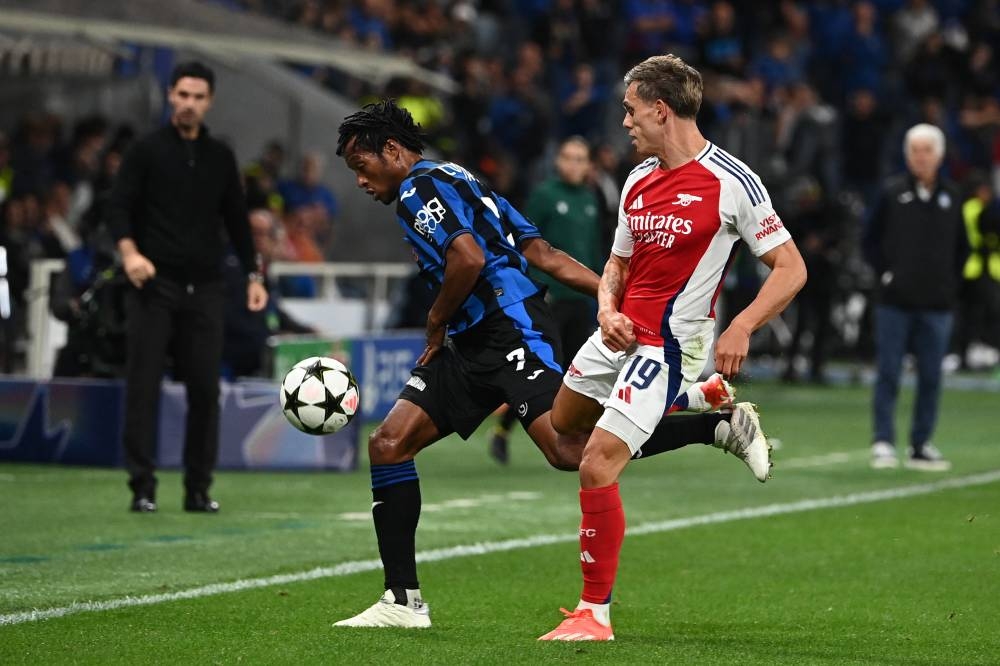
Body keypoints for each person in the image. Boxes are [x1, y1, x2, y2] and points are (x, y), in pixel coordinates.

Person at [332, 99, 769, 630]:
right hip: (475, 342)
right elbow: (542, 253)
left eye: (362, 166)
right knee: (388, 444)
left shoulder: (416, 191)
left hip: (510, 329)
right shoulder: (460, 177)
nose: (360, 179)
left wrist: (435, 319)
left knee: (568, 449)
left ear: (393, 151)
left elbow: (466, 258)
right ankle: (401, 601)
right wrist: (611, 298)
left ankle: (713, 424)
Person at [539, 54, 807, 642]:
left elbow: (791, 268)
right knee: (562, 435)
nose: (626, 122)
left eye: (631, 111)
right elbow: (617, 263)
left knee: (596, 463)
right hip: (620, 332)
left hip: (671, 346)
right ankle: (712, 419)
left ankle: (594, 614)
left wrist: (742, 327)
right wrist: (606, 309)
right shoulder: (636, 180)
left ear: (661, 110)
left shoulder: (732, 183)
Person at [109, 61, 268, 513]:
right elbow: (117, 207)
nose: (189, 104)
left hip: (207, 286)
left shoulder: (220, 155)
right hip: (154, 285)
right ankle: (142, 486)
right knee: (143, 387)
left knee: (205, 390)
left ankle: (198, 488)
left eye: (198, 97)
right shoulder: (145, 150)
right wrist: (130, 254)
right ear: (170, 96)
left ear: (209, 102)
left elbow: (238, 221)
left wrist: (255, 277)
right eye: (182, 95)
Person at [488, 136, 603, 464]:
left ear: (588, 165)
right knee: (543, 371)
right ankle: (504, 428)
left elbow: (593, 249)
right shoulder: (545, 196)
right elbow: (526, 243)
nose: (574, 164)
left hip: (582, 300)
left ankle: (581, 437)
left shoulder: (591, 198)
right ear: (558, 162)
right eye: (568, 157)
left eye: (580, 159)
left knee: (577, 371)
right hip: (550, 299)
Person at [863, 123, 968, 472]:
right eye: (914, 150)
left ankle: (920, 444)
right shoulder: (891, 192)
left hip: (937, 304)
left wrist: (948, 284)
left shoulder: (953, 196)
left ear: (938, 156)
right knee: (889, 372)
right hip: (895, 301)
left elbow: (962, 248)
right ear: (907, 155)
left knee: (931, 378)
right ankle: (883, 441)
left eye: (926, 150)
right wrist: (887, 273)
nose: (920, 157)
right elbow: (870, 240)